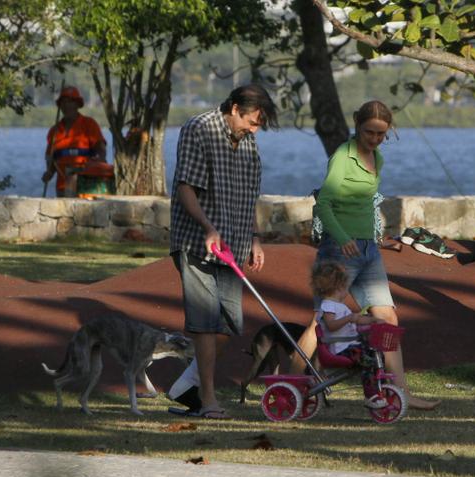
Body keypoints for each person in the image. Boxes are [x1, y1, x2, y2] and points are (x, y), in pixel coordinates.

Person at [289, 100, 440, 411]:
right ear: (357, 125)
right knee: (322, 322)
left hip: (369, 250)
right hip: (340, 249)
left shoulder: (378, 158)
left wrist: (375, 236)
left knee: (388, 317)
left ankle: (401, 392)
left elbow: (366, 204)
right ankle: (291, 382)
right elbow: (324, 204)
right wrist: (343, 238)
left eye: (381, 134)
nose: (374, 139)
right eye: (369, 132)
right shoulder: (342, 158)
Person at [167, 84, 278, 419]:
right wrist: (208, 228)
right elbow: (185, 187)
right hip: (197, 242)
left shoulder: (248, 139)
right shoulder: (199, 129)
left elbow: (249, 196)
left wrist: (254, 237)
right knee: (204, 324)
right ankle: (208, 399)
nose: (254, 128)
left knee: (229, 324)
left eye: (258, 124)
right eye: (252, 121)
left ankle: (186, 388)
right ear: (234, 109)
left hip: (234, 246)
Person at [311, 261, 389, 409]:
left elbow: (357, 319)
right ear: (338, 288)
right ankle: (370, 394)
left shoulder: (340, 306)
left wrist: (373, 320)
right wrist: (349, 318)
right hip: (339, 349)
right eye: (345, 287)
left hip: (350, 346)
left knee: (375, 353)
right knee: (367, 360)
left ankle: (381, 385)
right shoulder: (328, 305)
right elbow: (331, 325)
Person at [43, 86, 107, 197]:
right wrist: (49, 173)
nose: (67, 105)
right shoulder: (54, 131)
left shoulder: (89, 124)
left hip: (87, 185)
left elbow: (101, 150)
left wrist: (97, 163)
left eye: (71, 102)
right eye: (64, 102)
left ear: (77, 104)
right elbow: (51, 161)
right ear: (60, 106)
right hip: (63, 188)